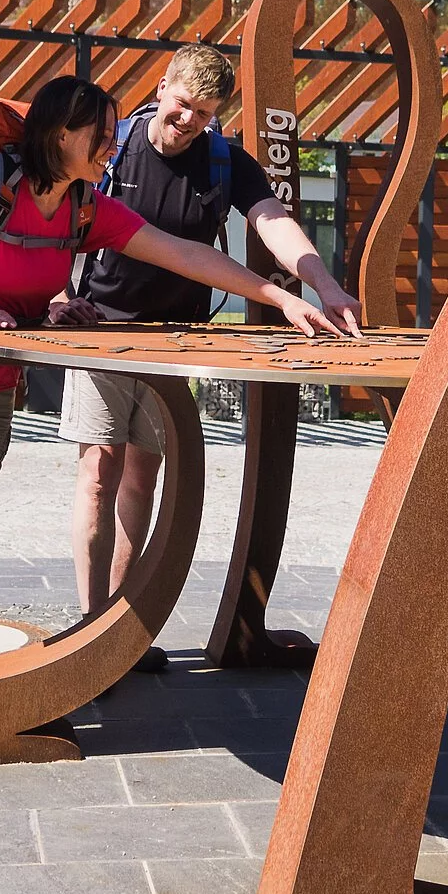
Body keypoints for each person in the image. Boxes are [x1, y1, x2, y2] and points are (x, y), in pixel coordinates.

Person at [0, 74, 343, 662]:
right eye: (101, 136)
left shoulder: (84, 208)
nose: (112, 148)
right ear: (61, 135)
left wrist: (285, 299)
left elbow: (186, 254)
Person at [54, 46, 362, 640]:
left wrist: (324, 286)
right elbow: (54, 215)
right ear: (161, 87)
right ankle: (86, 629)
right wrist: (56, 297)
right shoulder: (109, 147)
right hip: (99, 329)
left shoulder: (225, 161)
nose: (189, 121)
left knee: (144, 476)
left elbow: (273, 221)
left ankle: (117, 628)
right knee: (99, 470)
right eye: (182, 104)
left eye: (205, 112)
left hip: (177, 340)